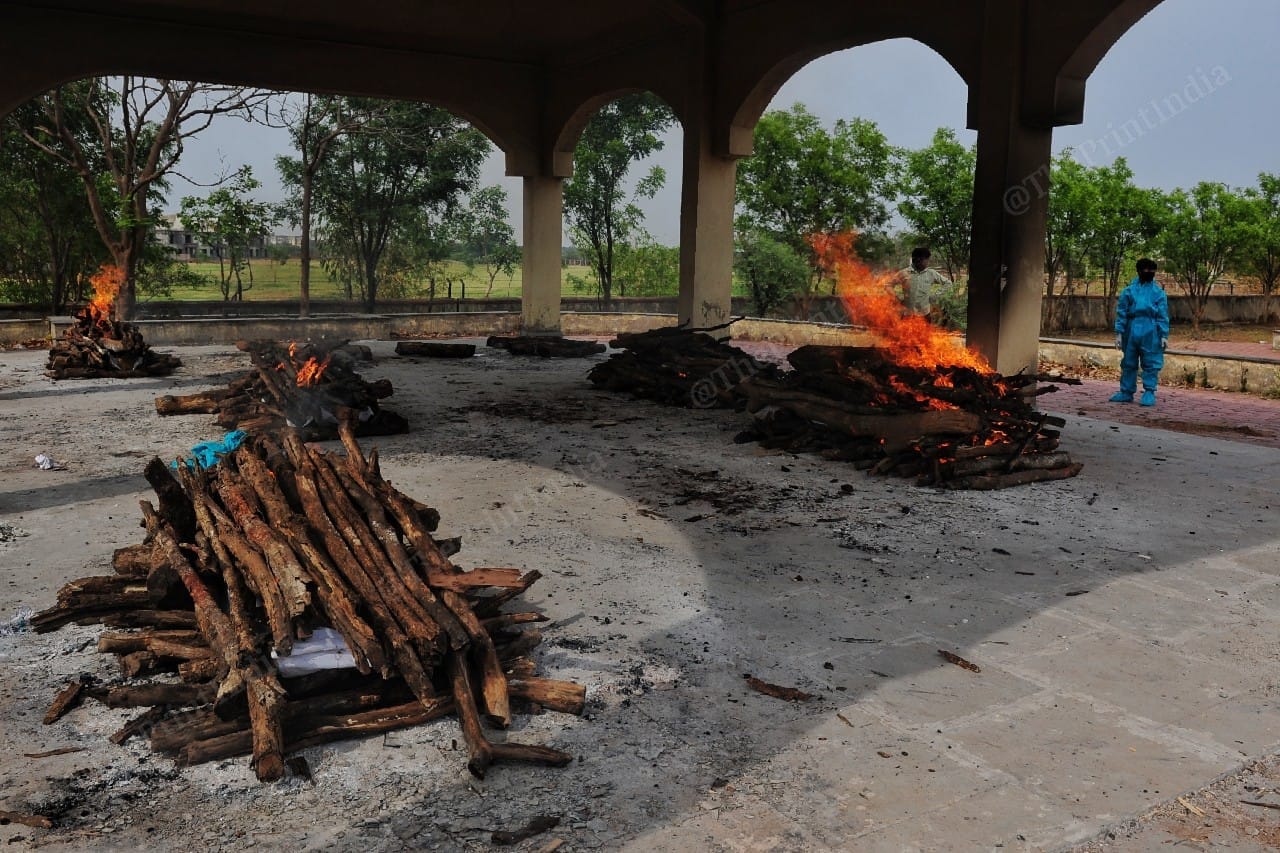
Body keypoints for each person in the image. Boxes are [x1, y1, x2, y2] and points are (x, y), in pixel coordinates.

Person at [1110, 258, 1170, 407]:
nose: (1149, 273)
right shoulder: (1128, 291)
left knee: (1151, 362)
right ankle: (1126, 392)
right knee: (1128, 361)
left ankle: (1149, 392)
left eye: (1152, 270)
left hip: (1151, 330)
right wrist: (1119, 333)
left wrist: (1163, 335)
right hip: (1131, 329)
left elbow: (1162, 315)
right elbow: (1122, 312)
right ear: (1139, 271)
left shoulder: (1158, 293)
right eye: (1146, 270)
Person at [900, 247, 951, 318]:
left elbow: (948, 283)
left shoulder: (931, 273)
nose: (928, 262)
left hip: (924, 315)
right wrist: (896, 298)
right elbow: (888, 284)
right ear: (918, 260)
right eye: (926, 260)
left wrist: (935, 296)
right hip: (908, 315)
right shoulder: (904, 273)